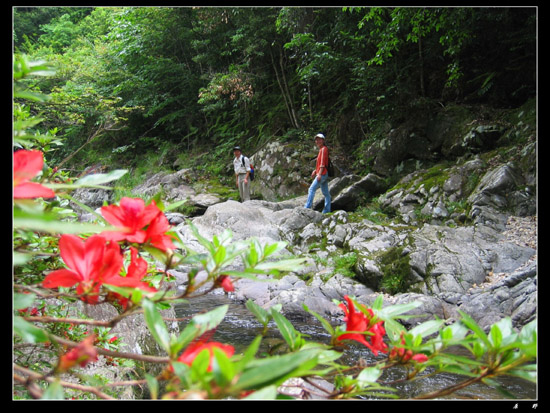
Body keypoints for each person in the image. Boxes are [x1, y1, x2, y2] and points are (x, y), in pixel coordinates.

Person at [304, 133, 331, 213]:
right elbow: (321, 163)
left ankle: (307, 207)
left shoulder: (323, 149)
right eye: (316, 140)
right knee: (326, 193)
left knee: (311, 189)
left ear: (323, 140)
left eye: (319, 139)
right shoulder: (322, 149)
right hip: (323, 173)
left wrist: (319, 174)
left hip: (322, 174)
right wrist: (315, 171)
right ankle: (327, 210)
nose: (317, 141)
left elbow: (323, 163)